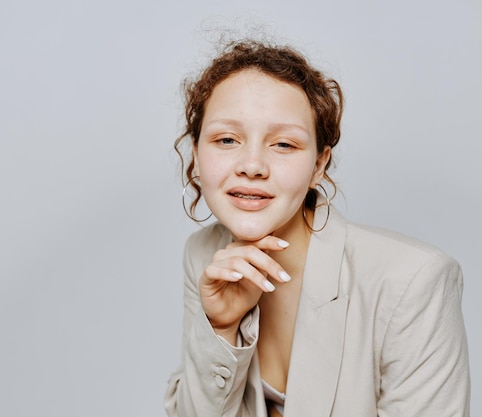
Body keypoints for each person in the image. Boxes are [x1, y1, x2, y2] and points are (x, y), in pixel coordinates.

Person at [164, 39, 470, 417]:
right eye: (227, 139)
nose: (252, 165)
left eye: (284, 144)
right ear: (195, 155)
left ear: (319, 165)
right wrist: (221, 327)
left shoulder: (413, 282)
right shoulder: (203, 254)